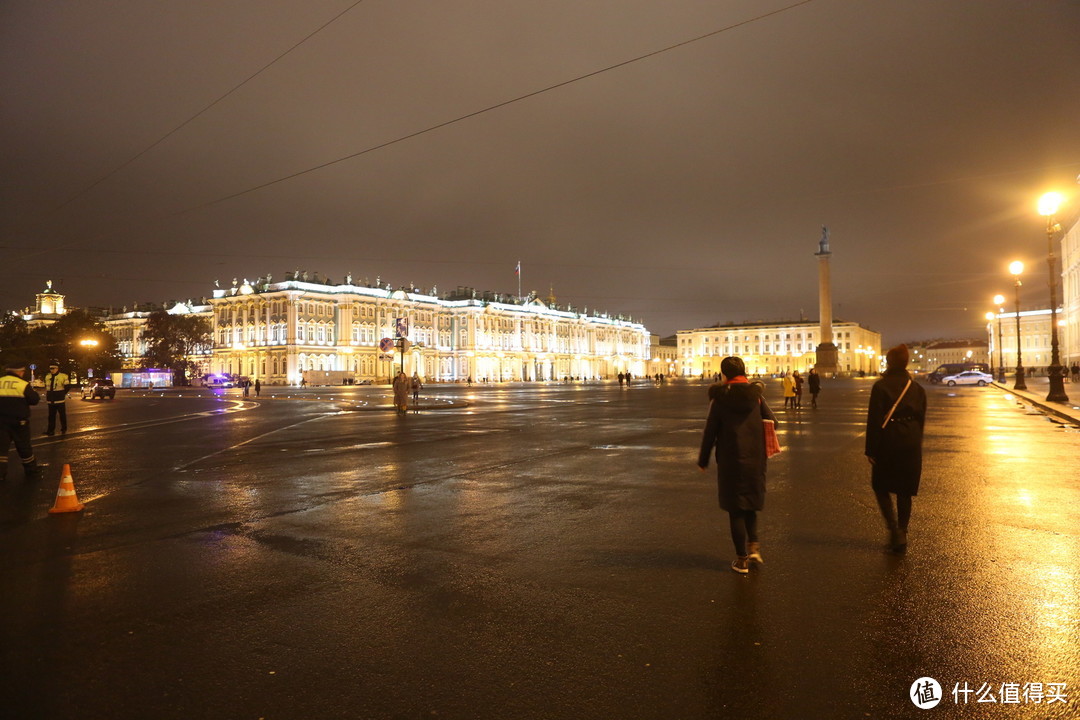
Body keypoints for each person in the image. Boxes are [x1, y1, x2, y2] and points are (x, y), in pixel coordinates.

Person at [697, 356, 777, 574]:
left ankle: (742, 560)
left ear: (724, 374)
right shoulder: (756, 397)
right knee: (751, 504)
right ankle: (754, 548)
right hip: (754, 458)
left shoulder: (719, 399)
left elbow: (710, 432)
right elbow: (773, 422)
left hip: (730, 460)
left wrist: (703, 460)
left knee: (736, 510)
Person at [865, 344, 927, 554]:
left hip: (888, 439)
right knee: (904, 490)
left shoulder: (881, 387)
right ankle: (903, 530)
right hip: (910, 439)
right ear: (906, 363)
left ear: (889, 362)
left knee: (880, 486)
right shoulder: (916, 388)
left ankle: (894, 530)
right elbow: (922, 419)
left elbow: (874, 420)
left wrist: (871, 449)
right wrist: (916, 442)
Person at [0, 360, 42, 479]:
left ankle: (1, 474)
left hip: (1, 422)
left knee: (1, 449)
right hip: (19, 422)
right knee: (24, 447)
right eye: (23, 371)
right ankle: (31, 471)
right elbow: (34, 400)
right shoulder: (22, 384)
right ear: (19, 372)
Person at [43, 360, 70, 436]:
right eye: (50, 368)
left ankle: (64, 428)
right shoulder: (47, 376)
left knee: (62, 415)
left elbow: (67, 387)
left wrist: (62, 394)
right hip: (50, 399)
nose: (51, 370)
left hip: (60, 400)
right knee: (51, 416)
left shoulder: (63, 376)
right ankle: (50, 430)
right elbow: (47, 387)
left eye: (53, 368)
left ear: (57, 368)